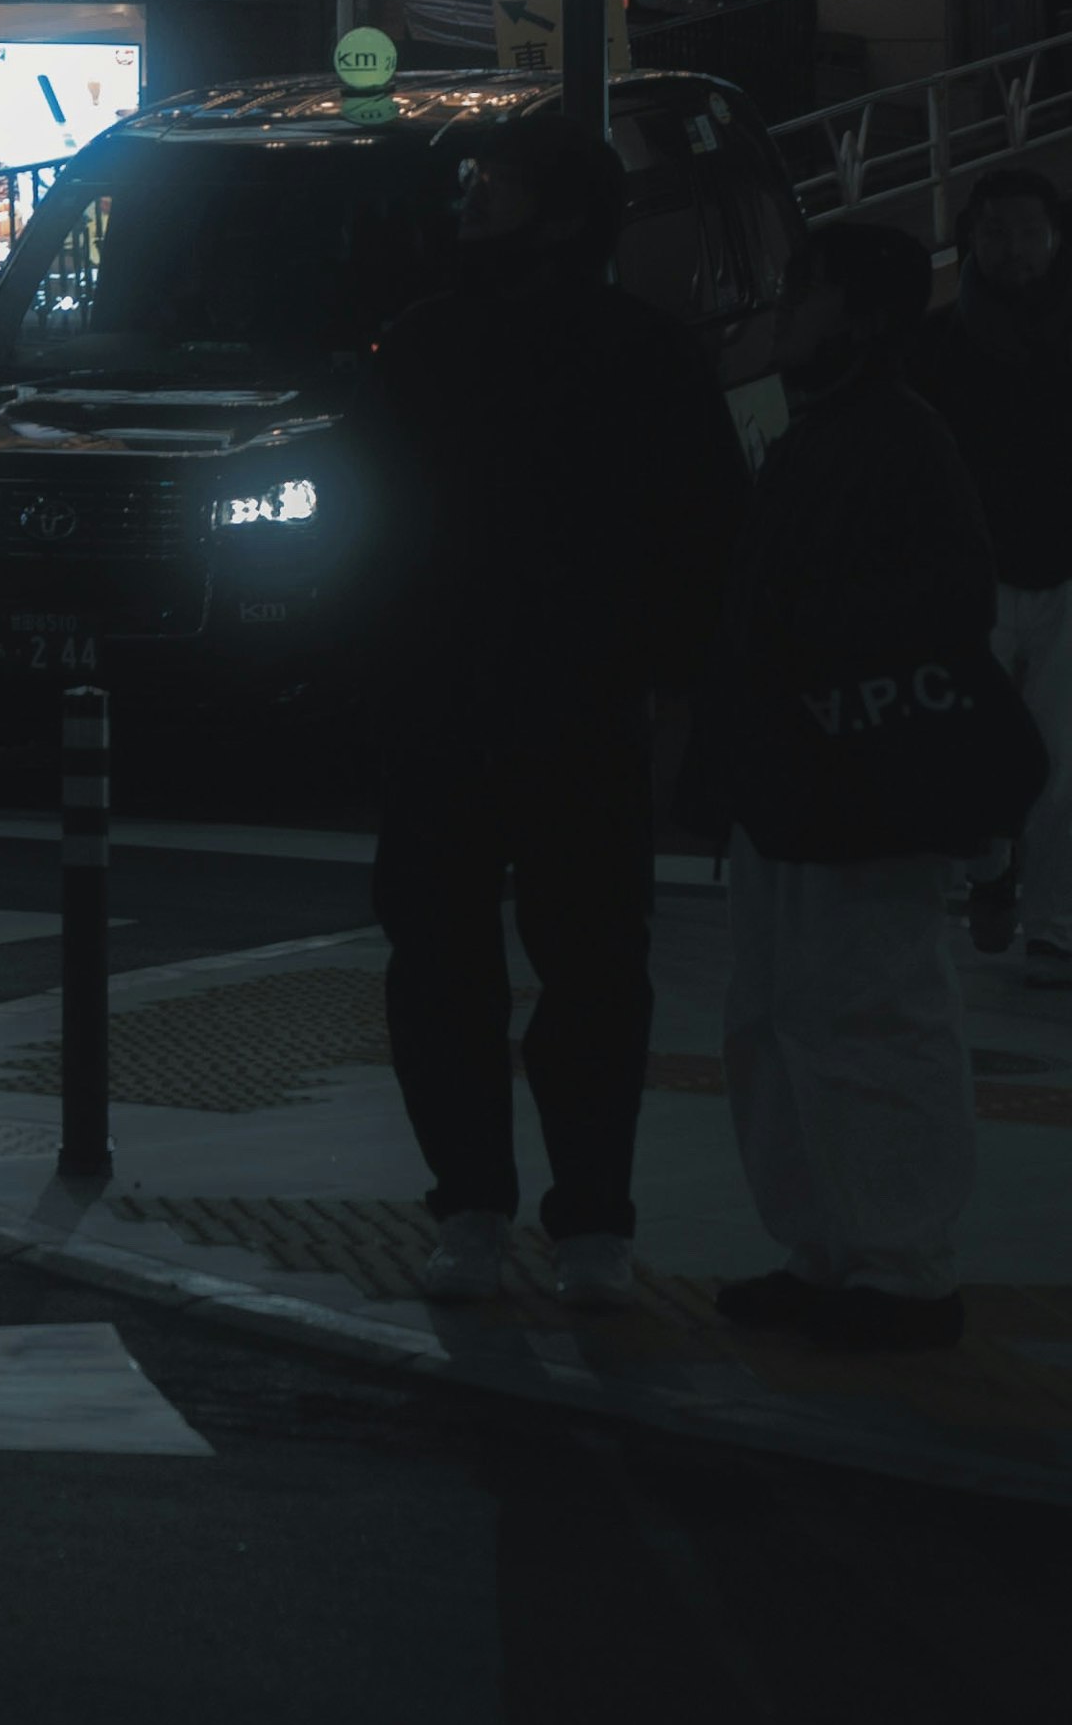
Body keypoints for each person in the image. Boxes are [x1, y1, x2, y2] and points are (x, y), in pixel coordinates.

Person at [358, 109, 747, 1313]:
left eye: (496, 184)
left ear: (566, 211)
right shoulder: (639, 350)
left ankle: (489, 1212)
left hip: (481, 699)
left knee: (469, 964)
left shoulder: (430, 345)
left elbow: (366, 527)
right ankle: (576, 1225)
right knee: (574, 968)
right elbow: (708, 536)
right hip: (566, 702)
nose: (470, 199)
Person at [704, 211, 1025, 1354]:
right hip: (812, 775)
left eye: (809, 287)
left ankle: (891, 1261)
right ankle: (841, 1251)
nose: (787, 305)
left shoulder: (881, 437)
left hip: (847, 778)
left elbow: (938, 601)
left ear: (869, 314)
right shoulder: (841, 431)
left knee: (860, 1010)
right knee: (790, 1013)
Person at [911, 163, 1072, 974]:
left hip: (1055, 566)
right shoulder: (940, 345)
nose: (1015, 248)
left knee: (1057, 753)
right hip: (978, 568)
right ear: (973, 237)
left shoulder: (945, 338)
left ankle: (1047, 912)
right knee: (982, 743)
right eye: (999, 232)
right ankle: (997, 875)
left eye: (1028, 232)